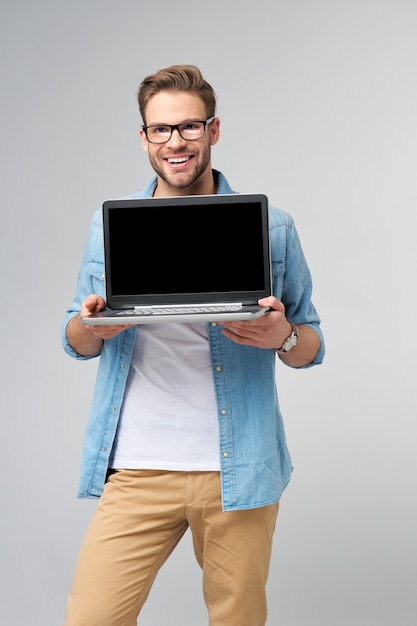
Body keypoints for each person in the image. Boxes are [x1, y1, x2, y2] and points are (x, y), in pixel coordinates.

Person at [62, 64, 325, 626]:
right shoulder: (109, 226)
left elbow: (311, 343)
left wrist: (283, 336)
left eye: (188, 127)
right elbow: (76, 339)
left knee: (237, 620)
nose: (175, 142)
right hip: (136, 468)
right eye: (160, 129)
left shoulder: (272, 228)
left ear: (213, 130)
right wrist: (95, 327)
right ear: (144, 138)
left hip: (239, 467)